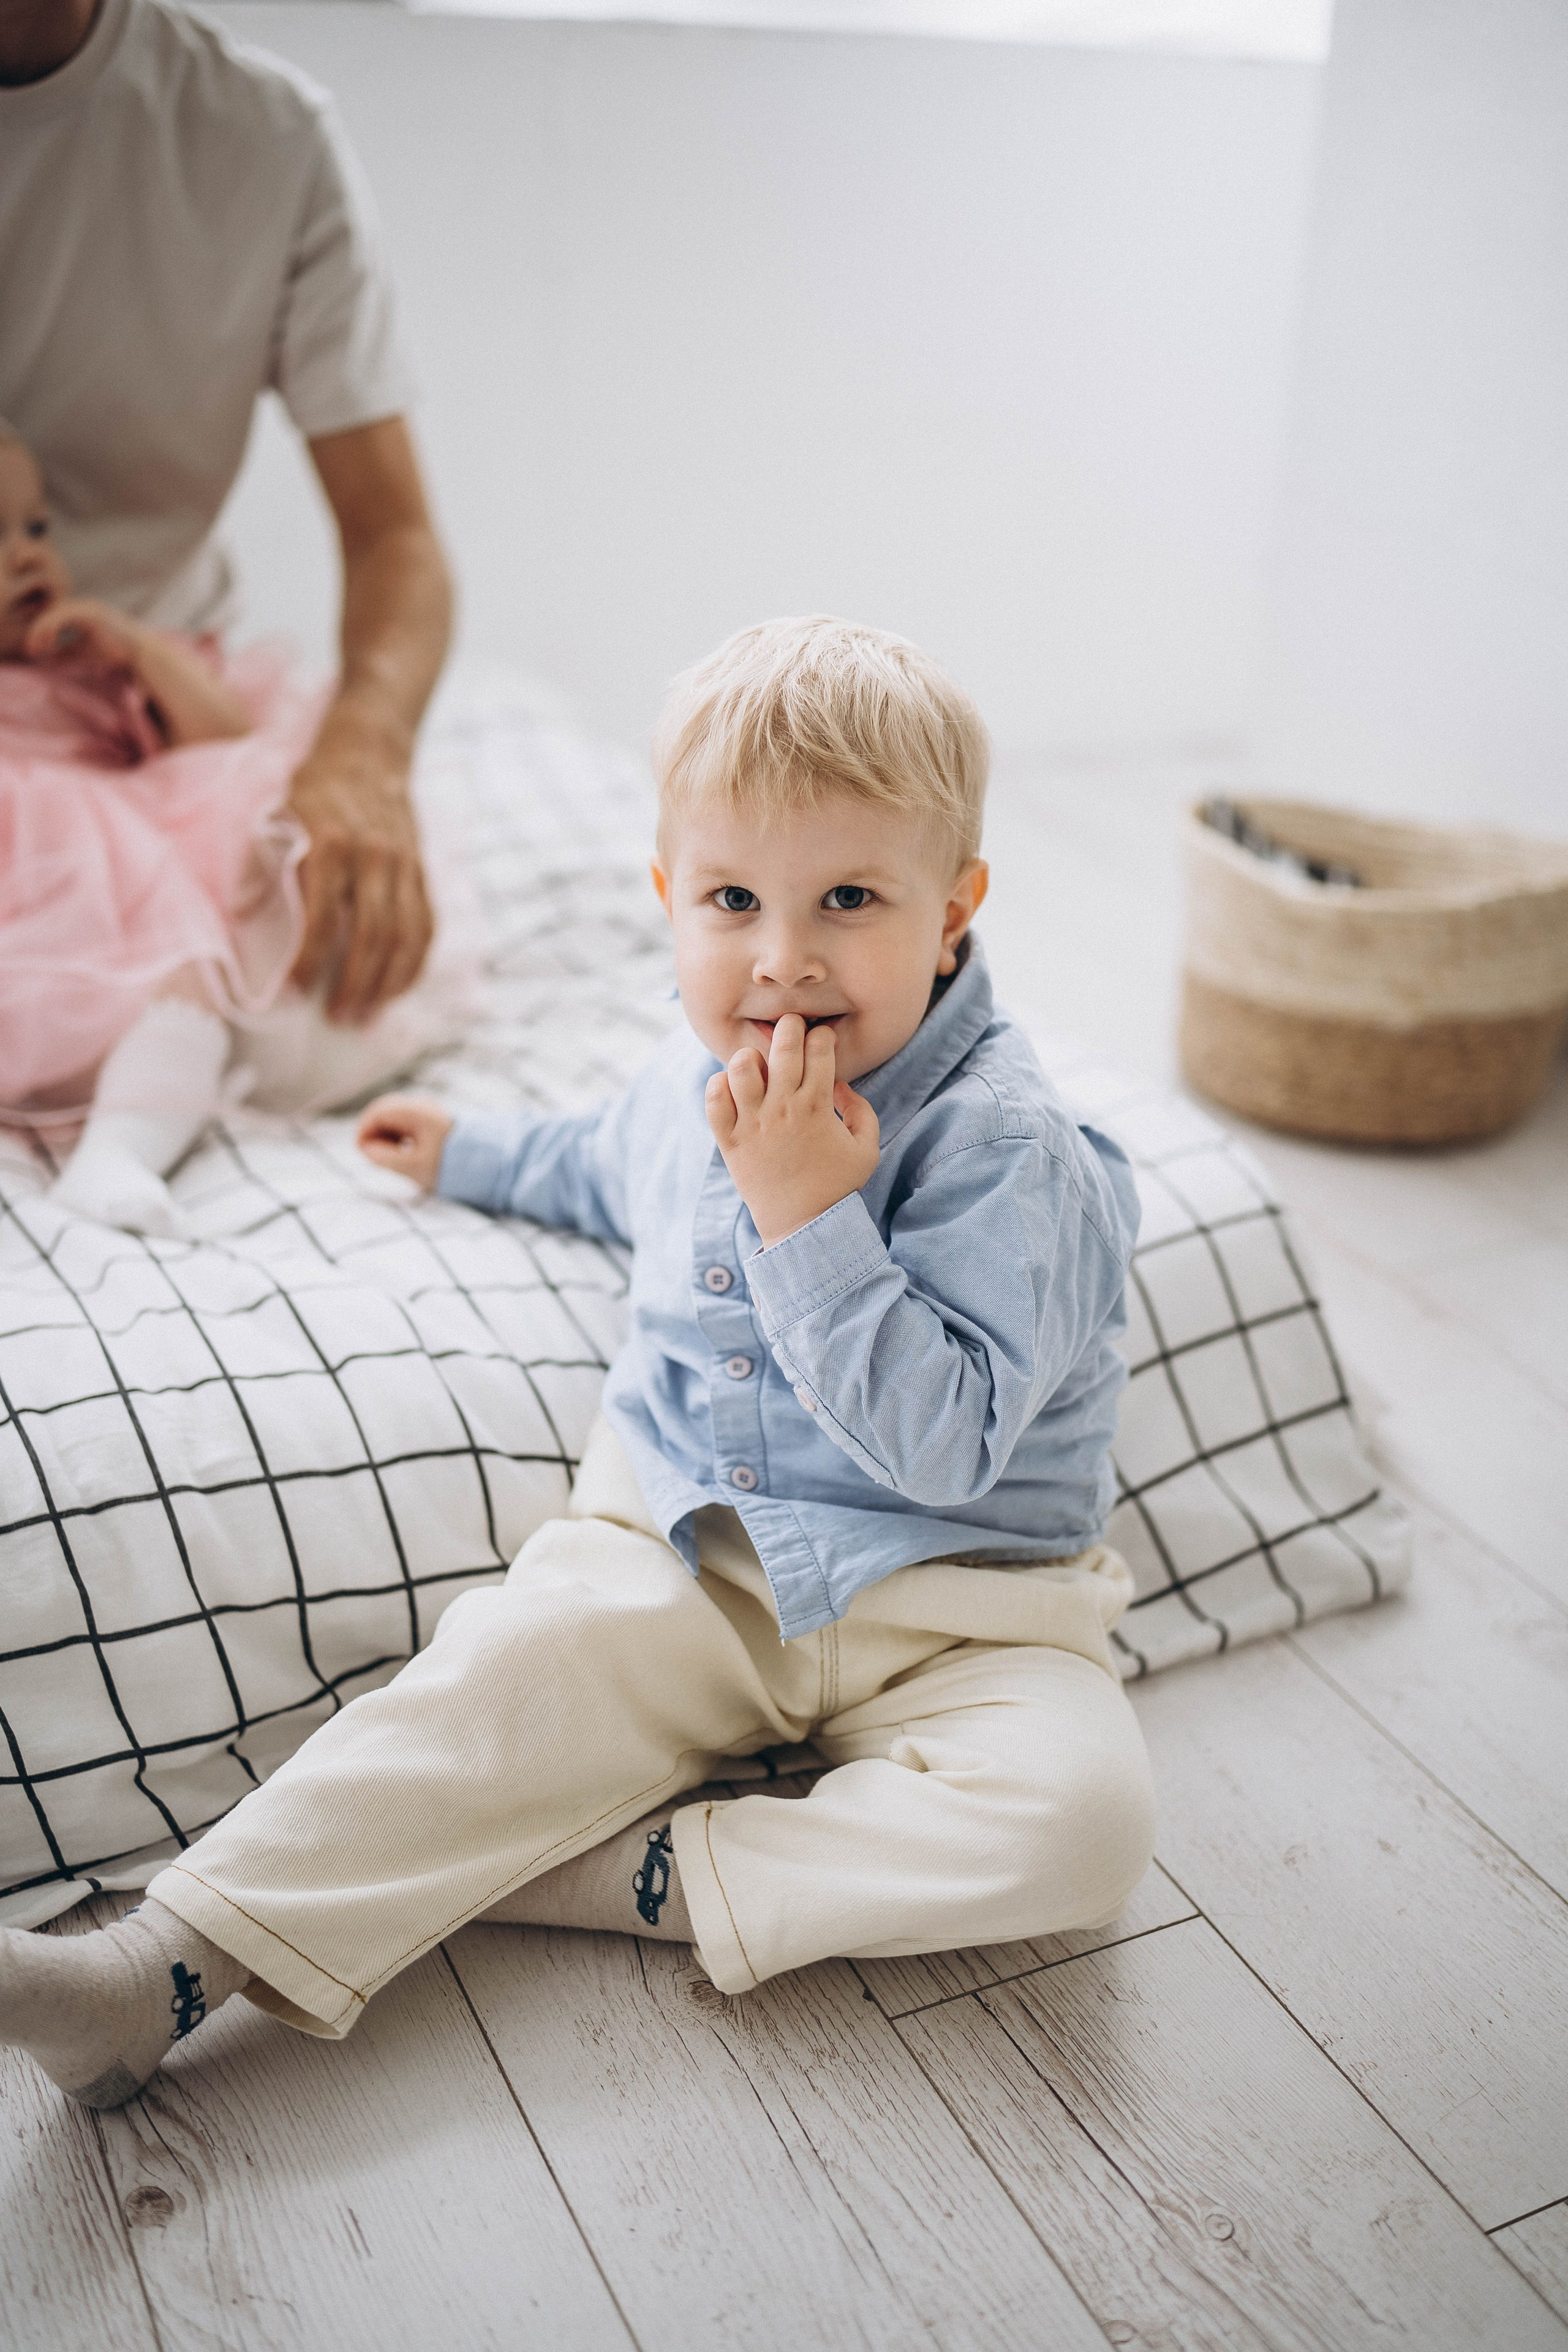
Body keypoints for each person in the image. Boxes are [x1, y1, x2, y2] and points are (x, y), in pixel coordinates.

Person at [0, 617, 1156, 2109]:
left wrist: (806, 1214)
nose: (782, 960)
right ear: (670, 899)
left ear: (951, 914)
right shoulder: (690, 1075)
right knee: (493, 1684)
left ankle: (618, 1871)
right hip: (690, 1545)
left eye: (849, 899)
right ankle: (151, 1973)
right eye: (732, 900)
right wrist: (472, 1154)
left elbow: (942, 1449)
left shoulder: (1010, 1151)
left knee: (1083, 1824)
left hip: (962, 1599)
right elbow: (607, 1166)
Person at [0, 0, 452, 1026]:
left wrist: (364, 752)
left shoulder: (264, 137)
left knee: (311, 990)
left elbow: (395, 535)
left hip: (152, 730)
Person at [0, 423, 333, 1232]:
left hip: (128, 914)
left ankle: (117, 1156)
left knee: (191, 975)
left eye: (37, 527)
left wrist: (141, 654)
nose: (27, 556)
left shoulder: (85, 664)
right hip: (23, 947)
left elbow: (229, 746)